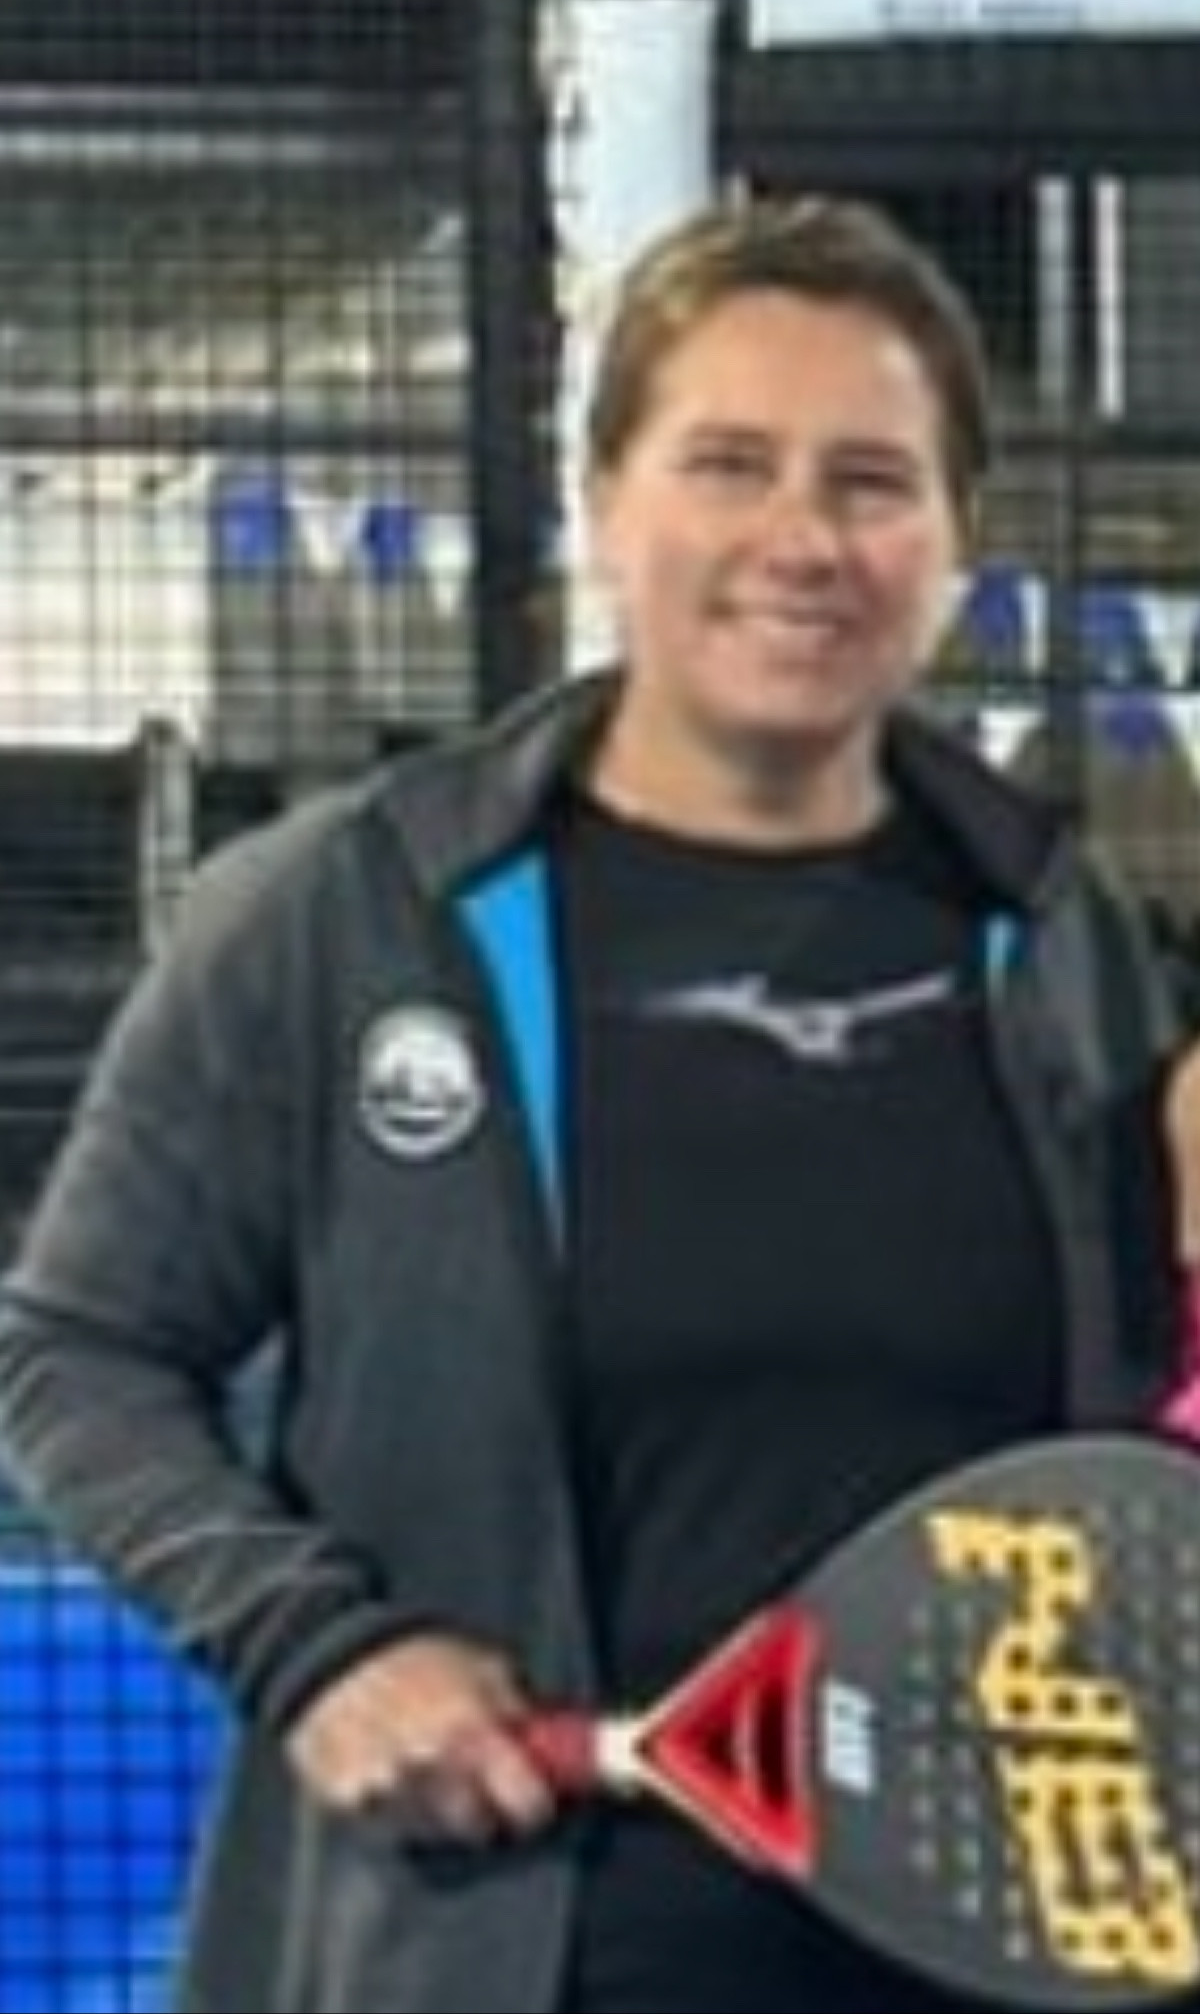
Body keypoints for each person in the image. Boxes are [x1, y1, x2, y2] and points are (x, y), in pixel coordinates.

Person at [0, 192, 1195, 2014]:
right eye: (729, 463)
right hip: (491, 1961)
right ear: (607, 502)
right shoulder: (342, 914)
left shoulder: (1060, 939)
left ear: (958, 543)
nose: (802, 539)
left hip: (978, 1971)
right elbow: (77, 1354)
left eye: (872, 483)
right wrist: (317, 1653)